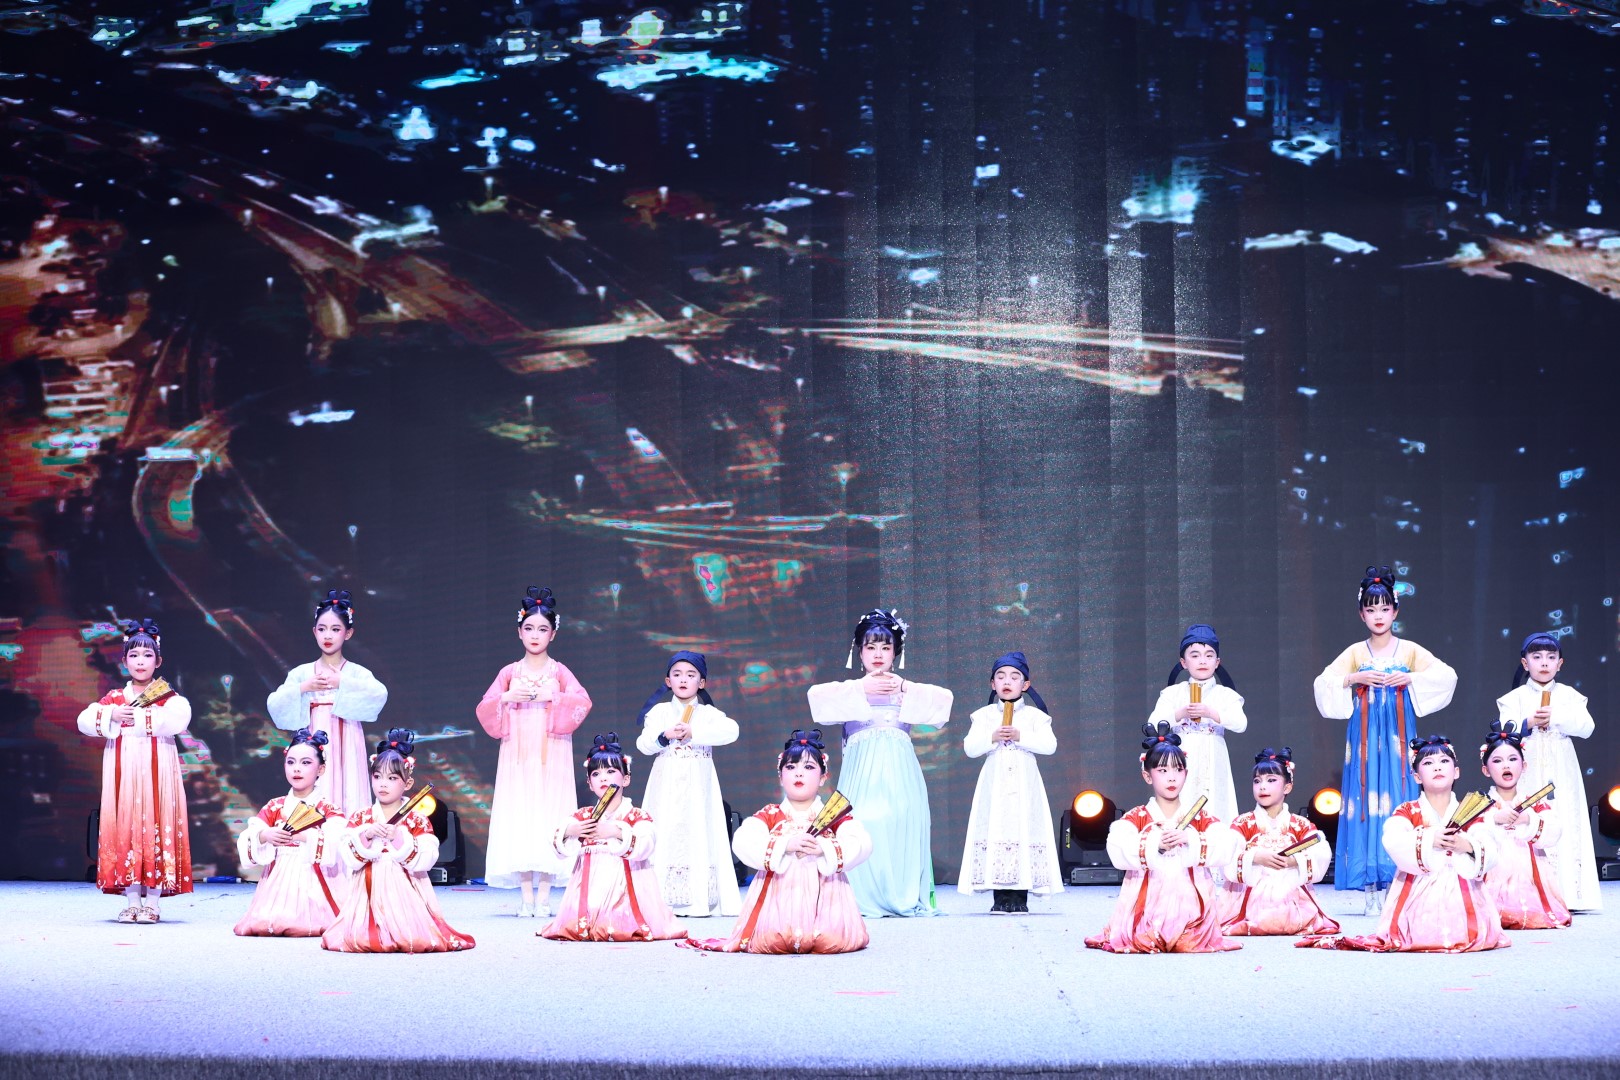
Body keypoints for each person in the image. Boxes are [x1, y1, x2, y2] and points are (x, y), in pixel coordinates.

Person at [1313, 566, 1456, 914]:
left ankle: (1401, 884)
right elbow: (1323, 683)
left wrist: (1410, 680)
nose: (1378, 615)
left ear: (1395, 611)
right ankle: (1370, 889)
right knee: (1365, 801)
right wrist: (1353, 678)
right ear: (1361, 614)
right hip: (1364, 736)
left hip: (1398, 734)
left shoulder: (1409, 650)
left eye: (1385, 608)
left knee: (1401, 793)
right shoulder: (1355, 652)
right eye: (1371, 609)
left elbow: (1447, 676)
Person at [1298, 735, 1508, 954]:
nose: (1437, 767)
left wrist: (1466, 845)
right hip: (1418, 887)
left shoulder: (1471, 811)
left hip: (1462, 887)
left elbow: (1490, 845)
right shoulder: (1408, 810)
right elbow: (1393, 840)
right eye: (1428, 763)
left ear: (1456, 771)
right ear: (1417, 776)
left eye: (1444, 761)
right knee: (1417, 933)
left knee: (1470, 933)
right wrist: (1429, 839)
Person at [807, 609, 952, 917]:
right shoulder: (849, 692)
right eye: (870, 647)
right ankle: (859, 897)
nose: (877, 654)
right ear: (859, 652)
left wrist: (904, 687)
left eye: (885, 647)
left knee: (900, 822)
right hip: (862, 772)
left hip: (900, 771)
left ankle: (899, 893)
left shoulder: (905, 691)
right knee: (864, 821)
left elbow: (944, 703)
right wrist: (861, 688)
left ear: (895, 653)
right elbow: (816, 698)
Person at [685, 729, 872, 954]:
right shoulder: (771, 814)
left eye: (809, 767)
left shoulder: (833, 816)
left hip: (828, 899)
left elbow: (862, 842)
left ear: (823, 777)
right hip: (778, 899)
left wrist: (824, 848)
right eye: (791, 767)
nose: (799, 773)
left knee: (830, 941)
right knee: (773, 940)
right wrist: (784, 845)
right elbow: (742, 841)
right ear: (781, 777)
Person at [476, 586, 593, 917]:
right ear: (519, 632)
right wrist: (506, 698)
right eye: (529, 628)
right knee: (521, 816)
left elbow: (582, 701)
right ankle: (526, 896)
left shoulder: (559, 671)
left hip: (552, 753)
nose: (535, 635)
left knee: (549, 814)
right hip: (517, 755)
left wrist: (553, 697)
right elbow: (485, 707)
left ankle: (544, 896)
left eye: (543, 629)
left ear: (553, 634)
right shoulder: (509, 672)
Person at [1085, 723, 1239, 954]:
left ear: (1186, 774)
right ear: (1147, 776)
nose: (1172, 778)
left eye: (1178, 770)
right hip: (1146, 909)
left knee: (1190, 942)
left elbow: (1226, 844)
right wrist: (1154, 844)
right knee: (1142, 939)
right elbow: (1117, 847)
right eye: (1162, 771)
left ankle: (1188, 927)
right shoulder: (1139, 816)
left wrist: (1190, 838)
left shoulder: (1198, 817)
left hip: (1192, 912)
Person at [77, 619, 192, 923]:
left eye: (147, 655)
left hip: (158, 772)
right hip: (123, 773)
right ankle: (131, 900)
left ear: (158, 661)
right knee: (126, 827)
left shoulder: (169, 698)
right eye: (134, 655)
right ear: (125, 661)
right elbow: (84, 721)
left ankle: (152, 903)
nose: (141, 661)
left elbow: (179, 720)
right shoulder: (115, 698)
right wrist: (112, 714)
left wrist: (139, 718)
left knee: (156, 825)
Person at [321, 729, 476, 953]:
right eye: (377, 777)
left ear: (408, 782)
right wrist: (366, 835)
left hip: (405, 887)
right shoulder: (361, 817)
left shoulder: (416, 819)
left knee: (415, 938)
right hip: (368, 889)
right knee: (357, 938)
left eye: (392, 778)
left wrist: (399, 838)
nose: (383, 784)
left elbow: (428, 857)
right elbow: (348, 856)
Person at [539, 734, 686, 942]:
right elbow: (556, 842)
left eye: (610, 771)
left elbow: (647, 844)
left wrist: (616, 832)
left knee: (623, 924)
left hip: (628, 891)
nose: (603, 778)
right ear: (590, 783)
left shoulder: (635, 816)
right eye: (596, 774)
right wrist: (572, 830)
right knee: (577, 923)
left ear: (625, 779)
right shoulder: (584, 816)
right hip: (589, 892)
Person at [1495, 632, 1600, 912]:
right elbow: (1503, 731)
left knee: (1565, 818)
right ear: (1525, 663)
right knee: (1526, 820)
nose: (1544, 663)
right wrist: (1528, 722)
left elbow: (1587, 728)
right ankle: (1527, 894)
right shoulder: (1513, 698)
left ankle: (1569, 895)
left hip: (1562, 768)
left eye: (1551, 657)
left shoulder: (1570, 695)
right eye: (1537, 657)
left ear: (1559, 663)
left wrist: (1557, 717)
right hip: (1527, 768)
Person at [634, 651, 741, 918]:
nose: (683, 680)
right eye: (677, 674)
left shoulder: (708, 713)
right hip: (666, 786)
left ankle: (698, 901)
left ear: (701, 682)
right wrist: (664, 736)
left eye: (691, 675)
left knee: (698, 831)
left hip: (698, 788)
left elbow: (732, 731)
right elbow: (643, 744)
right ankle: (659, 901)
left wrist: (695, 733)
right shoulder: (659, 712)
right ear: (668, 680)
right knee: (665, 830)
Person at [956, 651, 1063, 913]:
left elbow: (1050, 746)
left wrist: (1020, 735)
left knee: (1024, 829)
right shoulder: (983, 715)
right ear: (992, 684)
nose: (1007, 681)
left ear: (1025, 685)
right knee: (996, 829)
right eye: (1001, 676)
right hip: (994, 784)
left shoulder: (1036, 717)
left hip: (1025, 784)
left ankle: (1020, 897)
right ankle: (1000, 897)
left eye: (1015, 677)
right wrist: (992, 737)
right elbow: (970, 748)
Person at [267, 589, 389, 813]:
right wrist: (304, 687)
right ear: (314, 632)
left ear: (348, 633)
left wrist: (343, 682)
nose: (328, 636)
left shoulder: (356, 672)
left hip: (348, 739)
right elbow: (275, 704)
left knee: (349, 789)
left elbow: (379, 694)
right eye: (322, 629)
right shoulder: (302, 673)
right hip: (312, 739)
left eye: (335, 629)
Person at [233, 730, 345, 936]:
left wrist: (302, 837)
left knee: (317, 921)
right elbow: (250, 833)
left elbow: (338, 840)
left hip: (315, 874)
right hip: (279, 875)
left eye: (306, 763)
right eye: (291, 762)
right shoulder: (275, 805)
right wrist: (264, 835)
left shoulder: (327, 808)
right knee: (266, 921)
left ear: (321, 769)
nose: (297, 769)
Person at [1218, 748, 1339, 937]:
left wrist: (1294, 861)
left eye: (1271, 780)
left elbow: (1320, 851)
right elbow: (1226, 854)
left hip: (1289, 892)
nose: (1262, 787)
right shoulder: (1244, 822)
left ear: (1287, 787)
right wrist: (1255, 857)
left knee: (1291, 916)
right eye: (1257, 781)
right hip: (1250, 894)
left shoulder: (1299, 824)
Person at [1146, 624, 1247, 824]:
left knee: (1216, 805)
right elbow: (1153, 723)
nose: (1202, 661)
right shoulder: (1173, 693)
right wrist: (1181, 713)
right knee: (1182, 803)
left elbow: (1241, 723)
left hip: (1214, 757)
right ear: (1184, 662)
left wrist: (1211, 713)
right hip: (1182, 757)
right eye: (1195, 655)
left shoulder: (1225, 695)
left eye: (1209, 656)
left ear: (1217, 662)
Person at [1478, 721, 1570, 930]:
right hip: (1493, 871)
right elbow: (1468, 836)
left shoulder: (1533, 803)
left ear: (1524, 766)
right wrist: (1494, 819)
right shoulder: (1481, 804)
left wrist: (1528, 820)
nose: (1506, 765)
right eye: (1497, 761)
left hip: (1530, 872)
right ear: (1486, 770)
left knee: (1536, 911)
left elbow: (1554, 831)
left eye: (1513, 759)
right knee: (1484, 914)